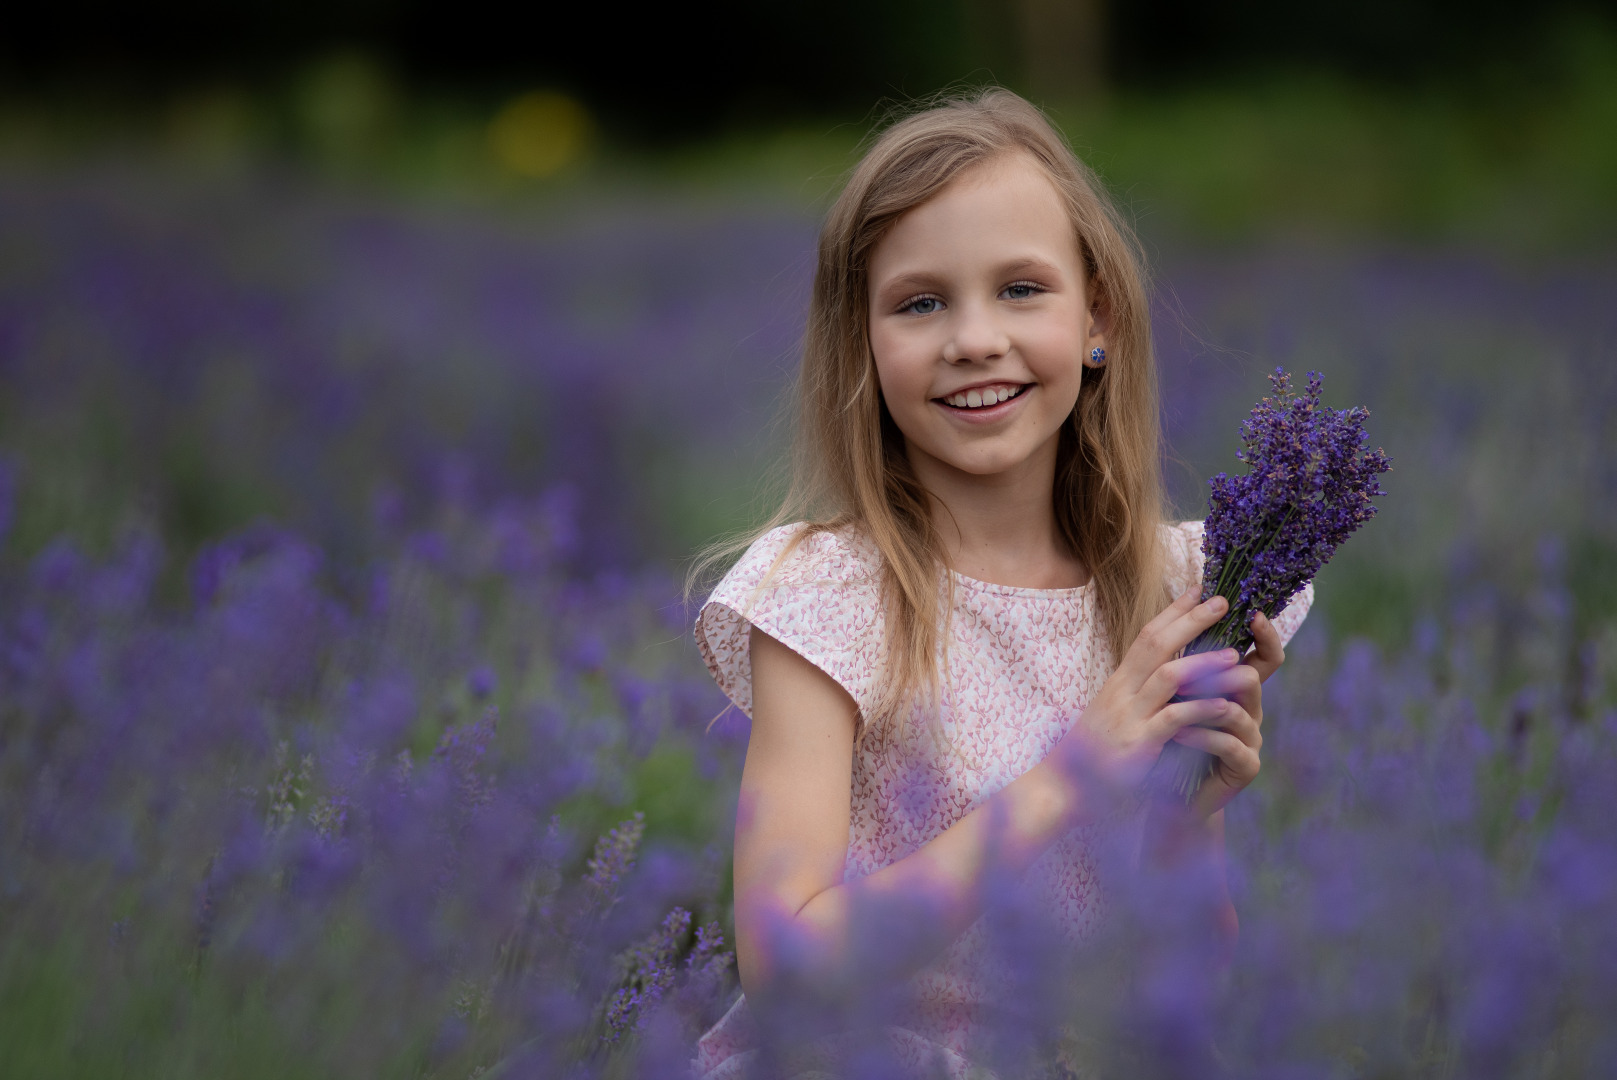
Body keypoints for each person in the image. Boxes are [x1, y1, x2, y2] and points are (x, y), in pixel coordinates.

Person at [689, 88, 1312, 1077]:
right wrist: (1075, 773)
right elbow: (787, 967)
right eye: (920, 302)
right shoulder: (826, 597)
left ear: (1097, 318)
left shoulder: (1172, 590)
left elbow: (1191, 982)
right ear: (862, 342)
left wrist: (1188, 811)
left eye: (1022, 289)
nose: (974, 337)